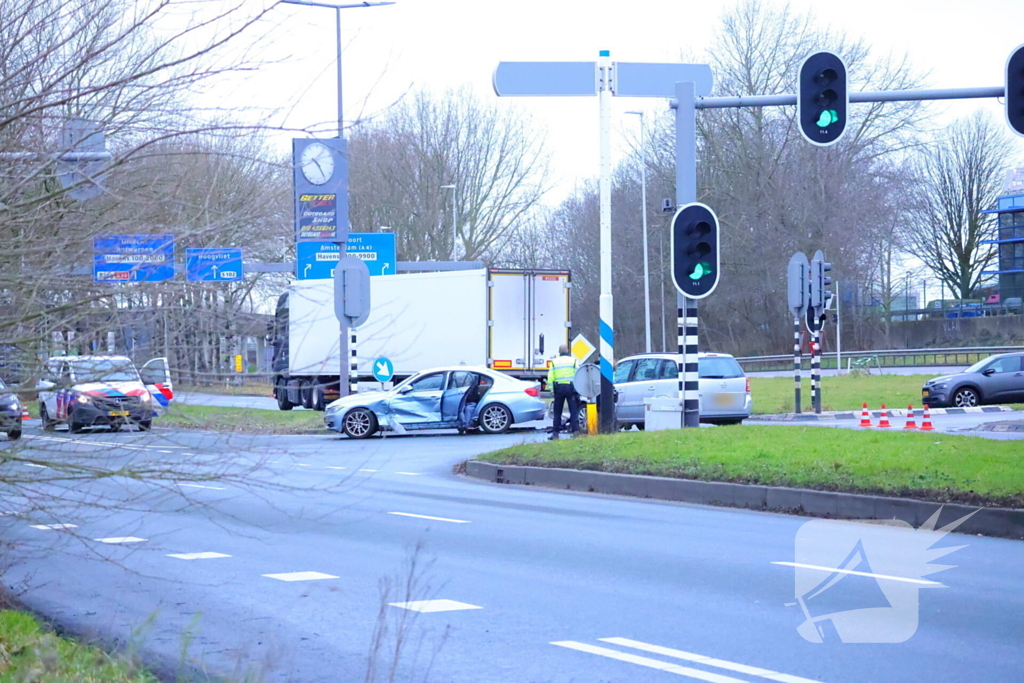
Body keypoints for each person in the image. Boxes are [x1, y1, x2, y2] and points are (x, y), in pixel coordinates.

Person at [547, 344, 579, 440]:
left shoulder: (554, 362)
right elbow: (578, 374)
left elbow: (550, 377)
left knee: (557, 412)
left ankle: (556, 433)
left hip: (559, 389)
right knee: (573, 411)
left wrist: (552, 390)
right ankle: (575, 432)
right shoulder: (573, 361)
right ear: (568, 351)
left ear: (559, 352)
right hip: (571, 388)